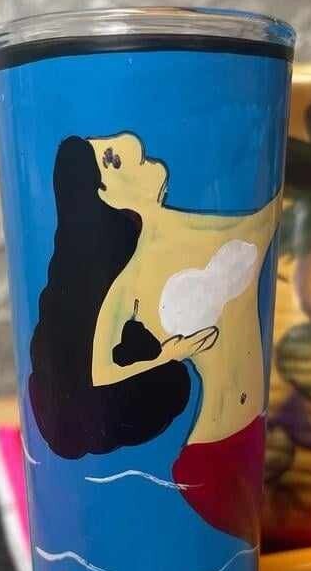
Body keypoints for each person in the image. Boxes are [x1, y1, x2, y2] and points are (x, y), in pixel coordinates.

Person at [30, 131, 280, 546]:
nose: (129, 145)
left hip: (250, 443)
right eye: (111, 159)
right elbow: (99, 371)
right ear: (106, 194)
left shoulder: (214, 225)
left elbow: (269, 219)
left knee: (235, 570)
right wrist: (169, 353)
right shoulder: (128, 282)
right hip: (212, 455)